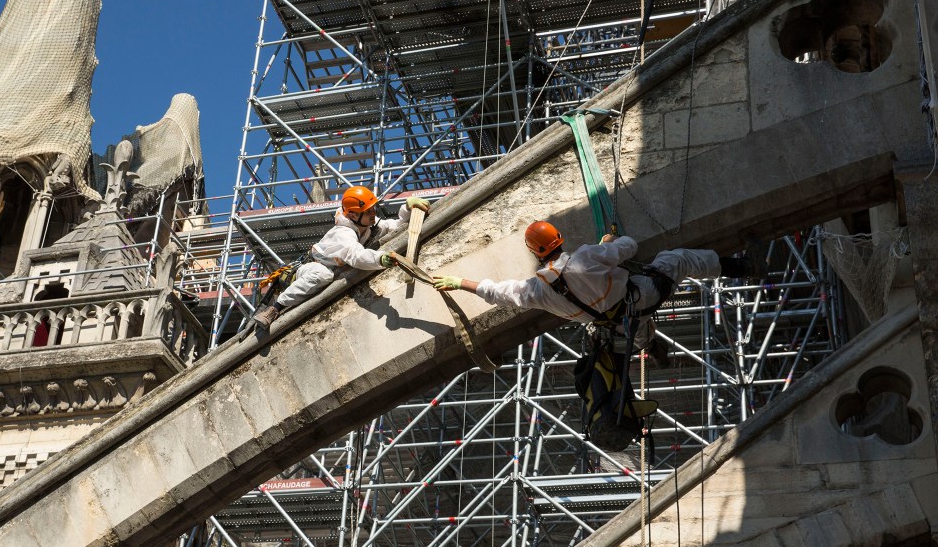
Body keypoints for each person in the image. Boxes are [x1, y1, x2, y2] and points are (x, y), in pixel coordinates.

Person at [431, 221, 756, 359]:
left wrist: (462, 283)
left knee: (639, 331)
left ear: (535, 253)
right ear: (559, 240)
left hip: (618, 321)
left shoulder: (538, 290)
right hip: (643, 295)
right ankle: (739, 268)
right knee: (678, 259)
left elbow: (501, 292)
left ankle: (652, 349)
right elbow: (630, 247)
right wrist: (608, 242)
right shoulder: (587, 256)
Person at [251, 186, 431, 329]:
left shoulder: (367, 227)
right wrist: (380, 259)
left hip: (329, 267)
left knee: (326, 274)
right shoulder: (343, 233)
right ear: (353, 214)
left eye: (373, 209)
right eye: (368, 211)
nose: (373, 213)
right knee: (323, 275)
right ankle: (275, 309)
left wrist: (407, 208)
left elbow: (396, 226)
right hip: (310, 269)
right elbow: (355, 255)